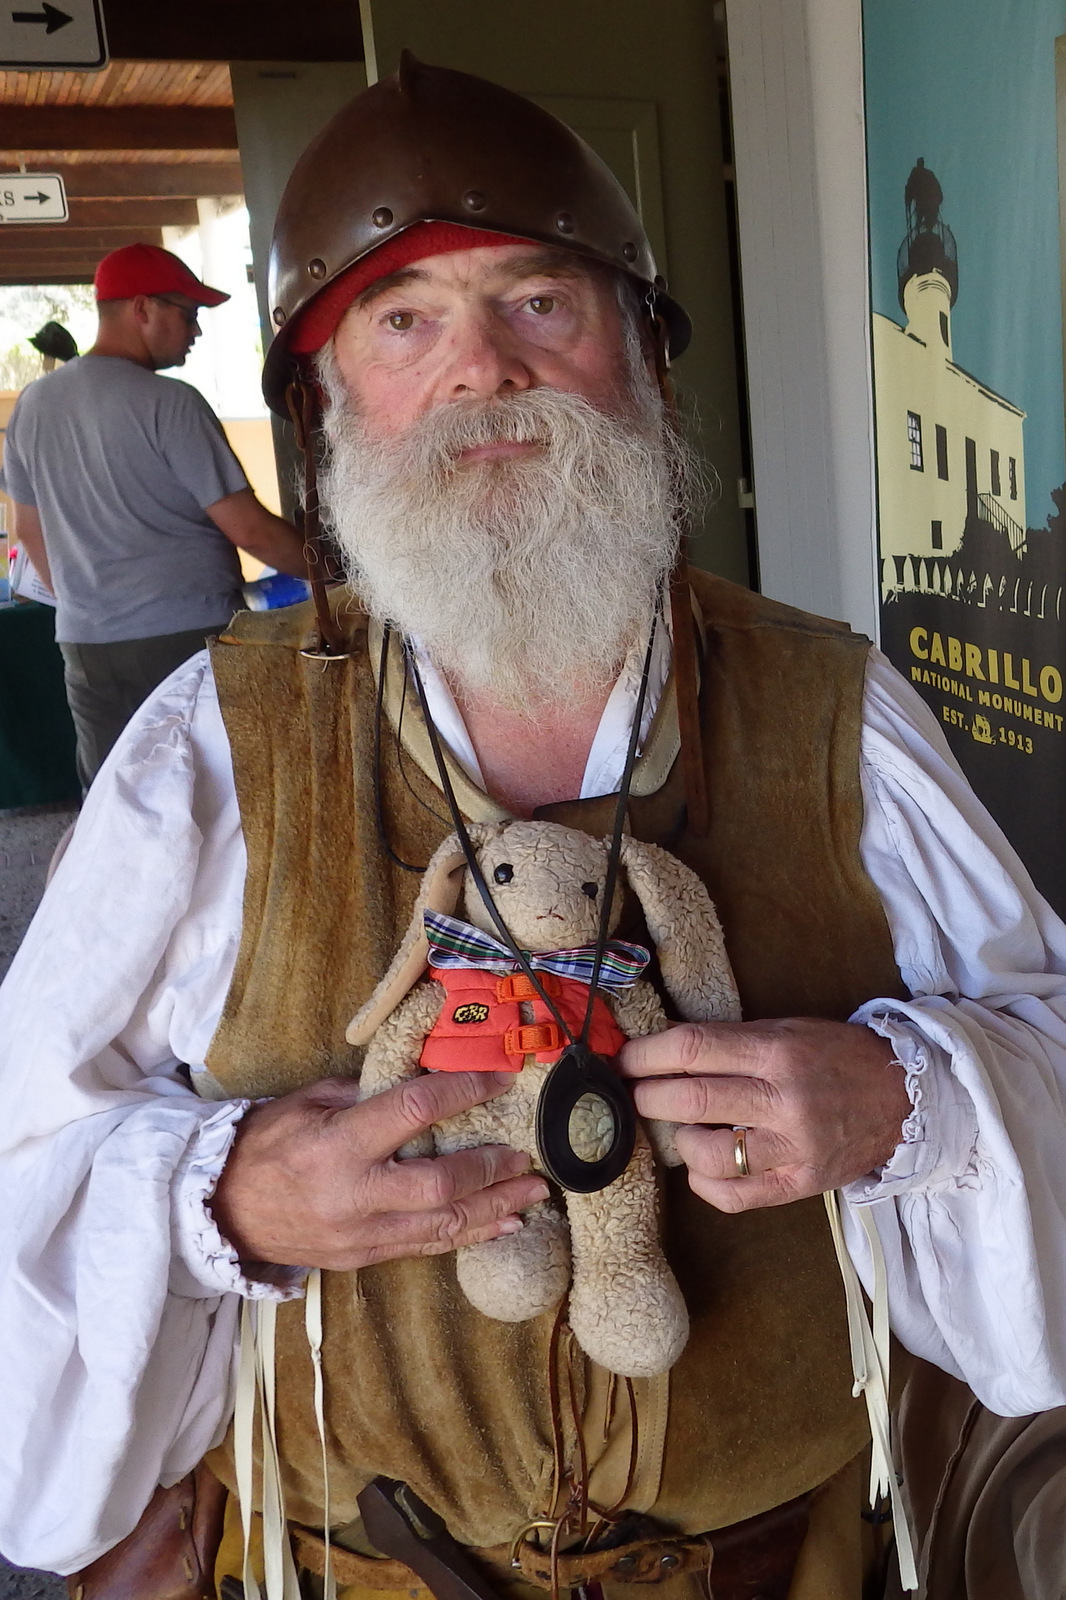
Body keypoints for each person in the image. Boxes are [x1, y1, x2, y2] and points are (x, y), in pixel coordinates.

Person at [0, 57, 1065, 1600]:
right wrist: (221, 1195)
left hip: (784, 1566)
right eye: (404, 322)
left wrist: (911, 1100)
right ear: (325, 404)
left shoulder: (832, 708)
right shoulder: (212, 743)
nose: (481, 370)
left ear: (642, 359)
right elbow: (30, 1138)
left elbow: (1044, 1036)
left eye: (539, 304)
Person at [3, 242, 309, 787]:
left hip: (85, 645)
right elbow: (250, 530)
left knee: (118, 798)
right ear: (142, 308)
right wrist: (337, 573)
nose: (196, 331)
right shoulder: (171, 402)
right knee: (215, 792)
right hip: (186, 638)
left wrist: (88, 604)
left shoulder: (34, 403)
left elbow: (27, 530)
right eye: (187, 314)